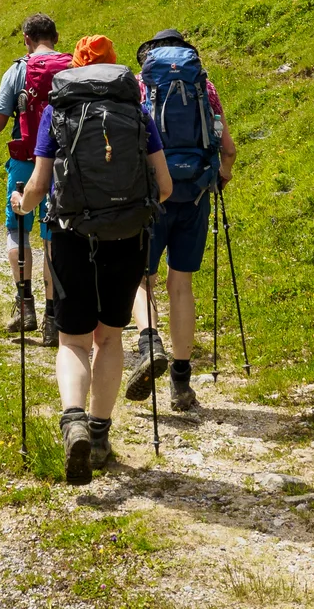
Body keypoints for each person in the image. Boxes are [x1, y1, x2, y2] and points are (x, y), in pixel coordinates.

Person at [11, 34, 171, 484]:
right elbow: (165, 188)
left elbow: (39, 187)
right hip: (126, 236)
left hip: (71, 236)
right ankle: (100, 436)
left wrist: (21, 203)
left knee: (74, 341)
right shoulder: (136, 112)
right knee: (110, 338)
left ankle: (74, 421)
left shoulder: (57, 112)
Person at [123, 29, 237, 413]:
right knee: (181, 284)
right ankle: (181, 383)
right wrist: (220, 175)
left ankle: (149, 342)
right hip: (195, 192)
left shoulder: (140, 85)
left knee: (142, 278)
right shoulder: (205, 84)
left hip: (152, 194)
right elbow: (229, 149)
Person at [0, 13, 68, 345]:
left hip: (23, 163)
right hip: (60, 166)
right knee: (53, 238)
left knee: (17, 229)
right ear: (56, 37)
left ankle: (25, 305)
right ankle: (52, 319)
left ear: (26, 39)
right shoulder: (71, 67)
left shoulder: (17, 70)